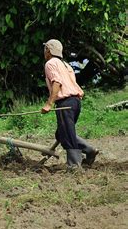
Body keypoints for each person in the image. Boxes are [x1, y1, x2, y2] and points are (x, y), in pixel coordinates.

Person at [41, 39, 99, 170]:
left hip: (65, 102)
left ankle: (74, 165)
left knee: (66, 134)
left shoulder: (50, 64)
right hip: (75, 102)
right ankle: (89, 150)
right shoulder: (65, 65)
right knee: (61, 134)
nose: (44, 52)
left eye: (45, 49)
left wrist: (49, 103)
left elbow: (57, 82)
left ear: (48, 50)